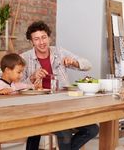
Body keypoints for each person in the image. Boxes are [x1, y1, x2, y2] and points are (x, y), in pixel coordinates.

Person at [20, 21, 99, 150]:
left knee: (93, 129)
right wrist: (32, 77)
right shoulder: (24, 58)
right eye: (37, 39)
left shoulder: (59, 52)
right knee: (65, 134)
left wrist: (74, 62)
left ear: (49, 37)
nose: (42, 42)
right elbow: (16, 86)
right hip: (37, 109)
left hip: (63, 106)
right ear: (31, 42)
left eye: (44, 37)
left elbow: (88, 64)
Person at [0, 53, 41, 150]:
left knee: (36, 129)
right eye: (19, 72)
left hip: (13, 119)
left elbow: (27, 87)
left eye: (22, 72)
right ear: (7, 70)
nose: (21, 75)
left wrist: (34, 86)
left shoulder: (15, 85)